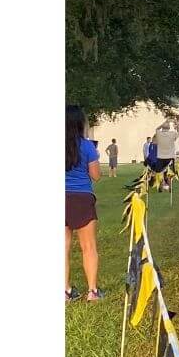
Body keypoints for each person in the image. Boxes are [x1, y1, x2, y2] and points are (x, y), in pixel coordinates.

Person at [66, 105, 104, 301]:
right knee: (88, 246)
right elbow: (96, 176)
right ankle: (92, 291)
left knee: (63, 247)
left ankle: (65, 290)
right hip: (82, 197)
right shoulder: (87, 146)